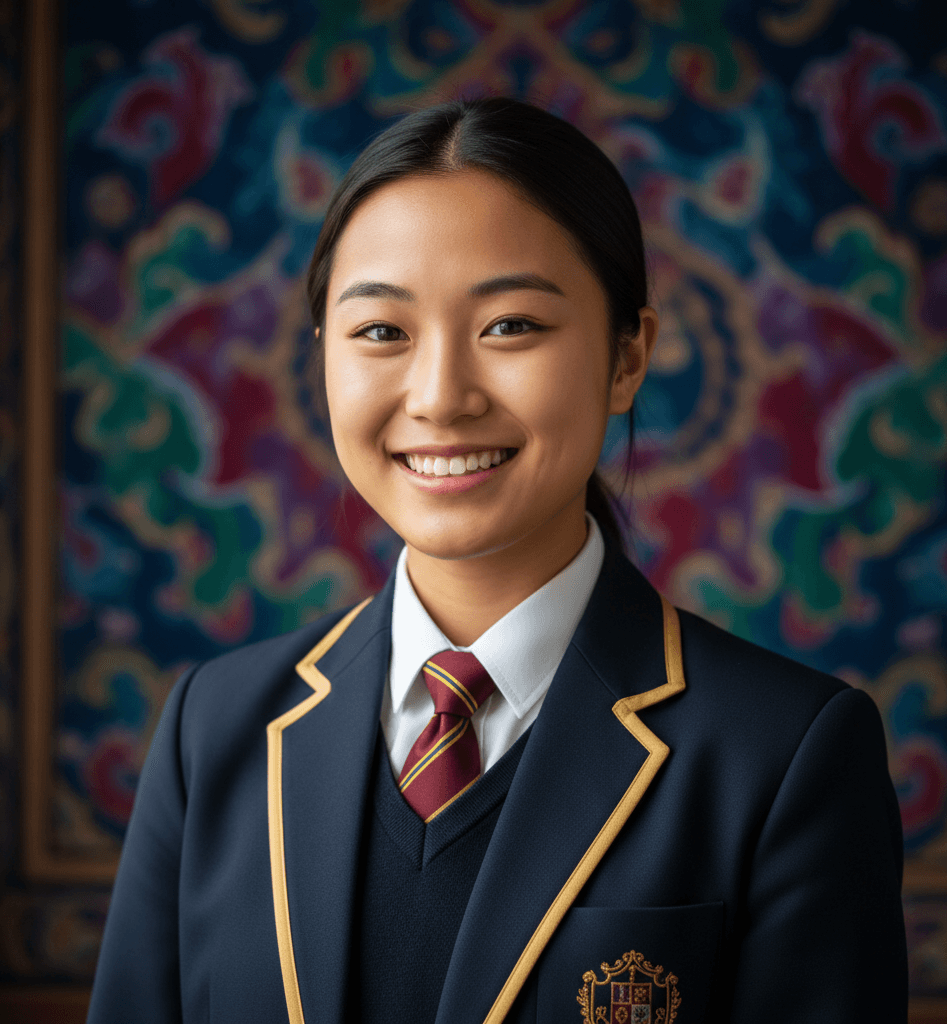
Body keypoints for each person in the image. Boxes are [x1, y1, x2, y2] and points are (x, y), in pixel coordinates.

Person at [87, 97, 907, 1024]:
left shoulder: (785, 754)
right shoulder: (215, 730)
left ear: (628, 356)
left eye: (511, 326)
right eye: (383, 332)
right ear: (323, 358)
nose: (439, 398)